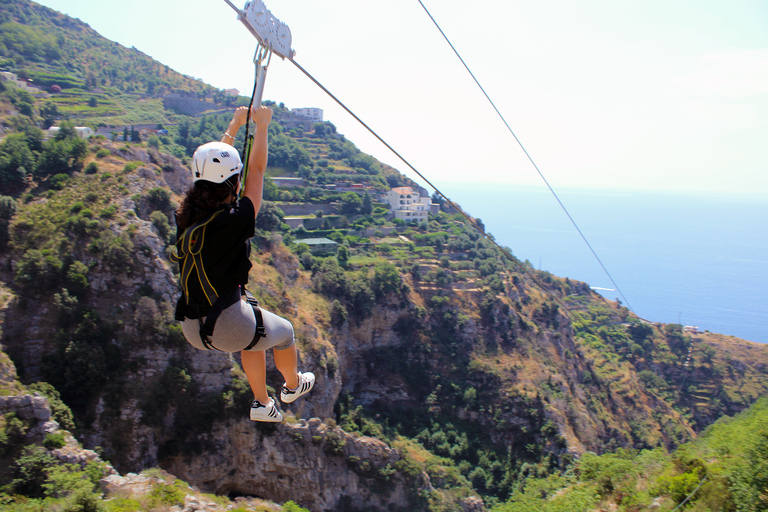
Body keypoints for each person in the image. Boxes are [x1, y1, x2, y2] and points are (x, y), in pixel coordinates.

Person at [173, 105, 314, 422]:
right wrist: (262, 126)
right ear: (232, 182)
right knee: (285, 333)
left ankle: (262, 405)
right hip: (226, 326)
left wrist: (234, 127)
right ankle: (292, 386)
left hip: (193, 325)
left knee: (256, 332)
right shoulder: (234, 221)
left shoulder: (185, 217)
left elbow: (217, 168)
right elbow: (257, 172)